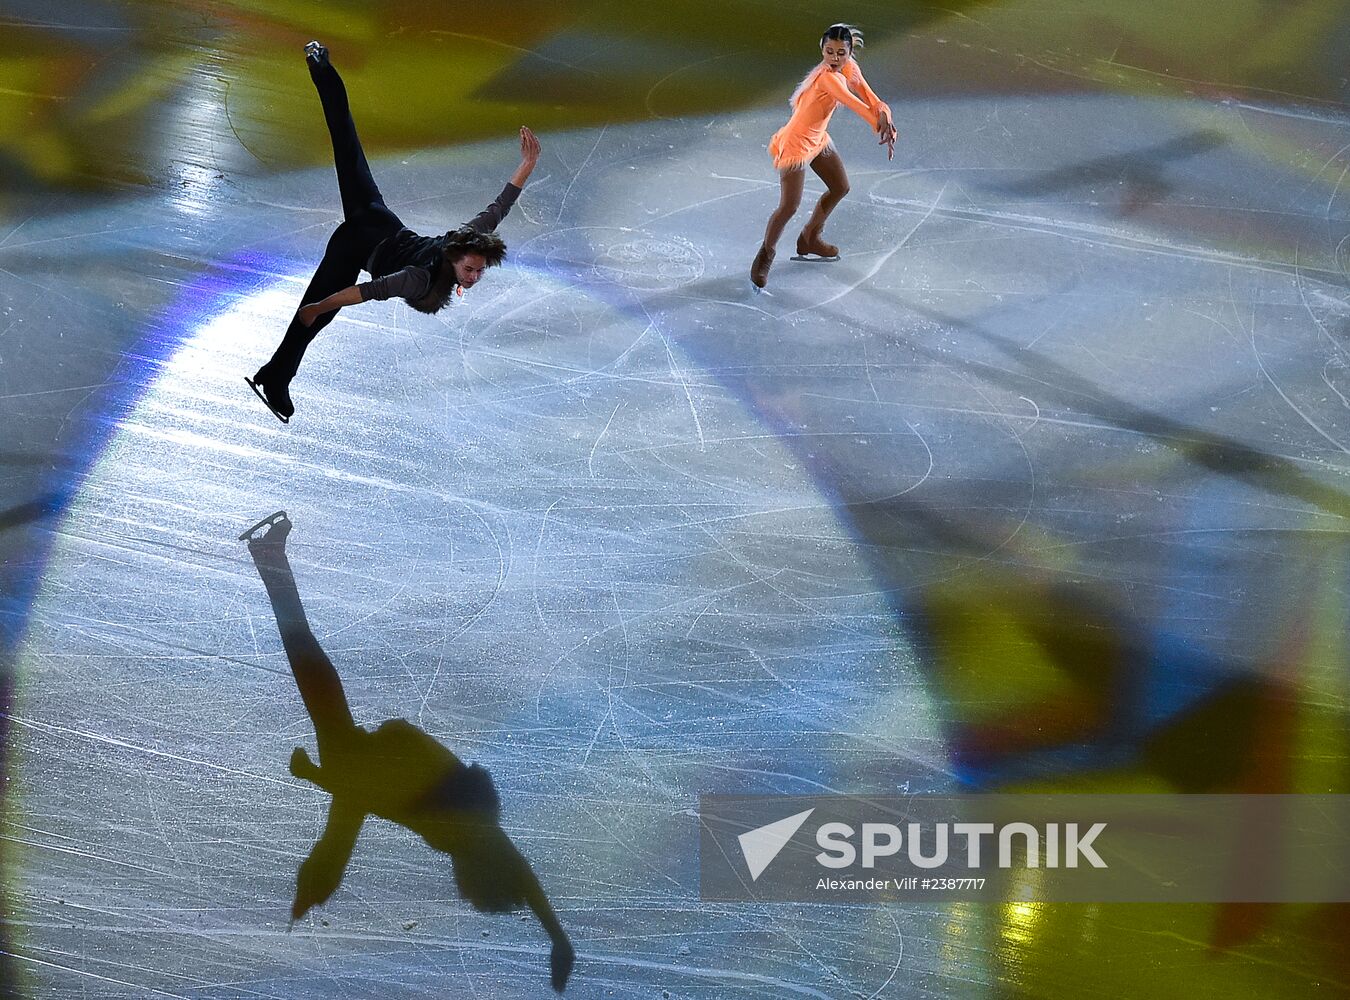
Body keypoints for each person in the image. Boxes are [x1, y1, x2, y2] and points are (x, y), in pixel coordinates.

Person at [240, 511, 576, 992]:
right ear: (481, 878)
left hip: (374, 762)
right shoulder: (467, 837)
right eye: (472, 894)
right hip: (367, 762)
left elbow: (524, 877)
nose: (462, 894)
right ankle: (270, 559)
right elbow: (380, 803)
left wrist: (558, 938)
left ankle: (271, 559)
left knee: (306, 657)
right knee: (304, 655)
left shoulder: (481, 837)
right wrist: (312, 775)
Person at [247, 41, 542, 422]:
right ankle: (276, 377)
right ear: (455, 259)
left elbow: (499, 207)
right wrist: (318, 306)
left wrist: (528, 164)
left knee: (347, 142)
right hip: (356, 243)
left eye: (478, 271)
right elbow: (369, 290)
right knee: (318, 314)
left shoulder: (468, 239)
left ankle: (318, 61)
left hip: (378, 217)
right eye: (471, 270)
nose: (475, 276)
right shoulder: (418, 280)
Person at [750, 24, 896, 291]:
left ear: (850, 52)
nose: (835, 58)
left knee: (840, 187)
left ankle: (810, 238)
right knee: (789, 206)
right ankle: (765, 255)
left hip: (817, 139)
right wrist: (879, 124)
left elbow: (872, 100)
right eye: (829, 52)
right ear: (822, 49)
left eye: (841, 53)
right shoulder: (829, 79)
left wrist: (886, 115)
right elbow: (857, 105)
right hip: (796, 142)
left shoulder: (850, 69)